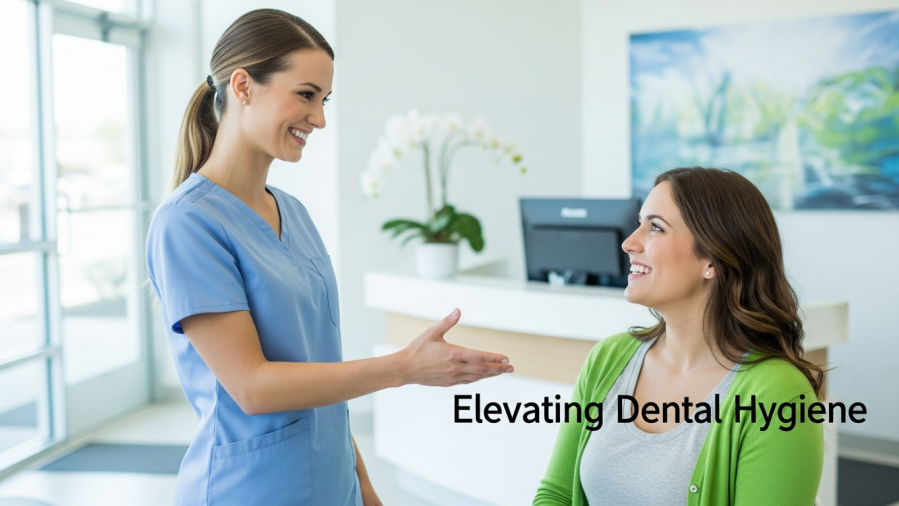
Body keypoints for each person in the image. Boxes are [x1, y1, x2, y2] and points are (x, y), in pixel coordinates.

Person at [145, 9, 514, 506]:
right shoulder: (187, 224)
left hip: (332, 483)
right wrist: (403, 367)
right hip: (252, 492)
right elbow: (252, 386)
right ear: (243, 86)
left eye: (324, 100)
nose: (318, 118)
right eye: (305, 95)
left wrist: (362, 484)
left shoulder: (292, 213)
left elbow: (318, 369)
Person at [533, 167, 825, 506]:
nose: (629, 243)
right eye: (639, 223)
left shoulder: (779, 393)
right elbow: (555, 494)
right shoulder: (610, 357)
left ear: (712, 259)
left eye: (655, 227)